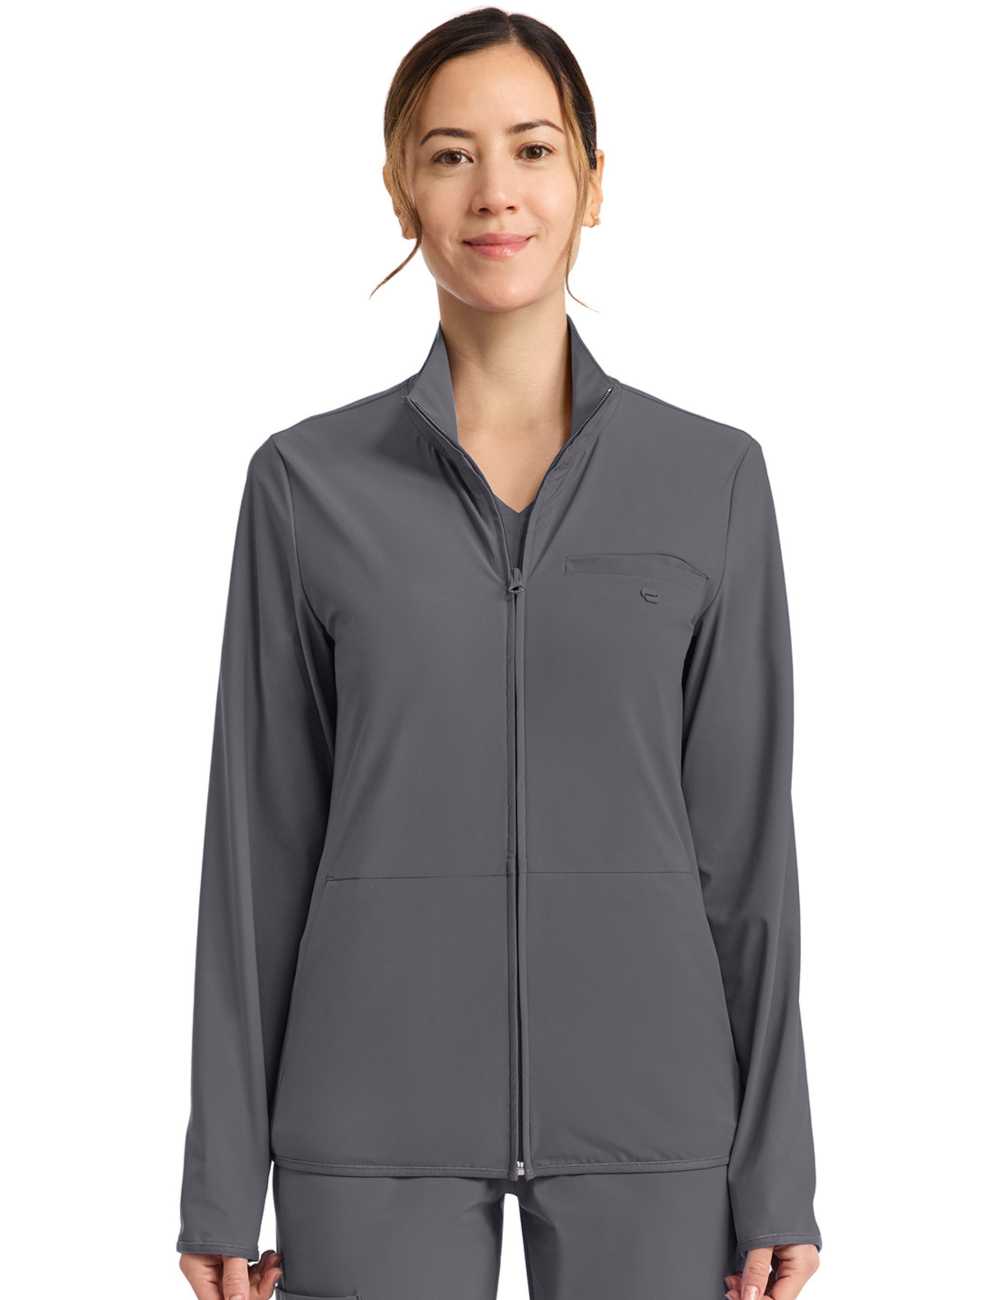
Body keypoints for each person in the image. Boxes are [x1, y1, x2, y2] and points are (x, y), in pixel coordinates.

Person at [176, 9, 823, 1300]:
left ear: (592, 179)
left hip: (657, 1115)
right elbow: (256, 853)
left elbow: (749, 854)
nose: (495, 194)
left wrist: (778, 1170)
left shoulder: (713, 480)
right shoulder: (306, 487)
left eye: (532, 149)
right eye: (450, 155)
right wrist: (220, 1176)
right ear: (399, 188)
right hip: (369, 1114)